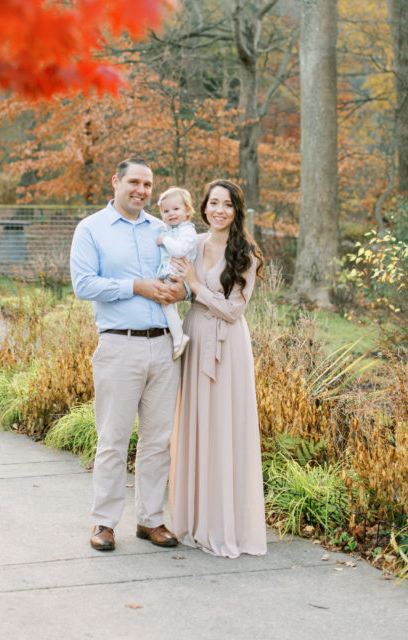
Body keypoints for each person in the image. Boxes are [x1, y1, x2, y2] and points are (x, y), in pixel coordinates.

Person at [70, 158, 185, 553]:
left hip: (164, 347)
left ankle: (150, 520)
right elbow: (83, 284)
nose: (141, 190)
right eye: (134, 182)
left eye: (148, 184)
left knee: (157, 440)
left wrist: (179, 290)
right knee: (113, 439)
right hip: (120, 345)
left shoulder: (162, 229)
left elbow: (183, 274)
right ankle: (104, 522)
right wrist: (136, 286)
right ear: (116, 181)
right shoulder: (91, 229)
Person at [169, 178, 267, 558]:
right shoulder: (191, 242)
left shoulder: (246, 255)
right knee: (194, 426)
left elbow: (232, 310)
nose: (219, 210)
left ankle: (225, 525)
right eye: (213, 203)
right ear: (204, 207)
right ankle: (191, 521)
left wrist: (196, 285)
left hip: (228, 347)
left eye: (227, 205)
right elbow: (173, 280)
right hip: (194, 338)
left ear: (236, 210)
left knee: (225, 427)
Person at [156, 186, 196, 360]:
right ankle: (178, 333)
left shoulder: (186, 231)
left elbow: (179, 251)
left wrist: (165, 240)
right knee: (167, 305)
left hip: (178, 276)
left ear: (187, 210)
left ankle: (179, 338)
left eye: (176, 209)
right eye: (166, 211)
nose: (170, 214)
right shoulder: (171, 229)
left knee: (165, 303)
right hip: (171, 274)